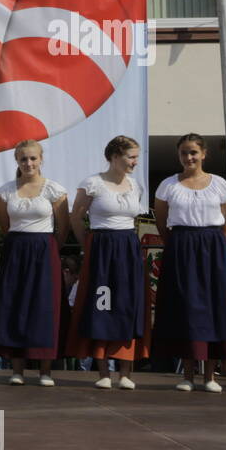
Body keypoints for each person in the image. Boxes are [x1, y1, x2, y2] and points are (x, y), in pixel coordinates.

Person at [151, 133, 226, 392]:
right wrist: (179, 244)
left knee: (215, 305)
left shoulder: (220, 184)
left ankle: (211, 376)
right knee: (184, 307)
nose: (189, 157)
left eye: (193, 152)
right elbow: (161, 220)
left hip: (213, 247)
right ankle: (188, 375)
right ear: (179, 156)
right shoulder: (168, 185)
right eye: (184, 153)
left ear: (203, 154)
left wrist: (213, 243)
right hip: (180, 246)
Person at [66, 135, 148, 389]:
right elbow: (76, 218)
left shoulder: (136, 186)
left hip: (128, 249)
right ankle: (103, 372)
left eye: (137, 157)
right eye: (131, 157)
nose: (135, 162)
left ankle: (125, 373)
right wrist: (88, 246)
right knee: (101, 304)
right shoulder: (92, 183)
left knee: (127, 305)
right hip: (101, 249)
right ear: (114, 157)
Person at [0, 140, 69, 386]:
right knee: (14, 305)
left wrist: (47, 248)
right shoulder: (5, 191)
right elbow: (5, 226)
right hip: (15, 250)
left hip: (45, 251)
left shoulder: (54, 190)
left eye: (33, 158)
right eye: (23, 159)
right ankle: (17, 369)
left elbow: (63, 228)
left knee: (44, 307)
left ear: (41, 159)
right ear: (17, 161)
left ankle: (45, 370)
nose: (28, 163)